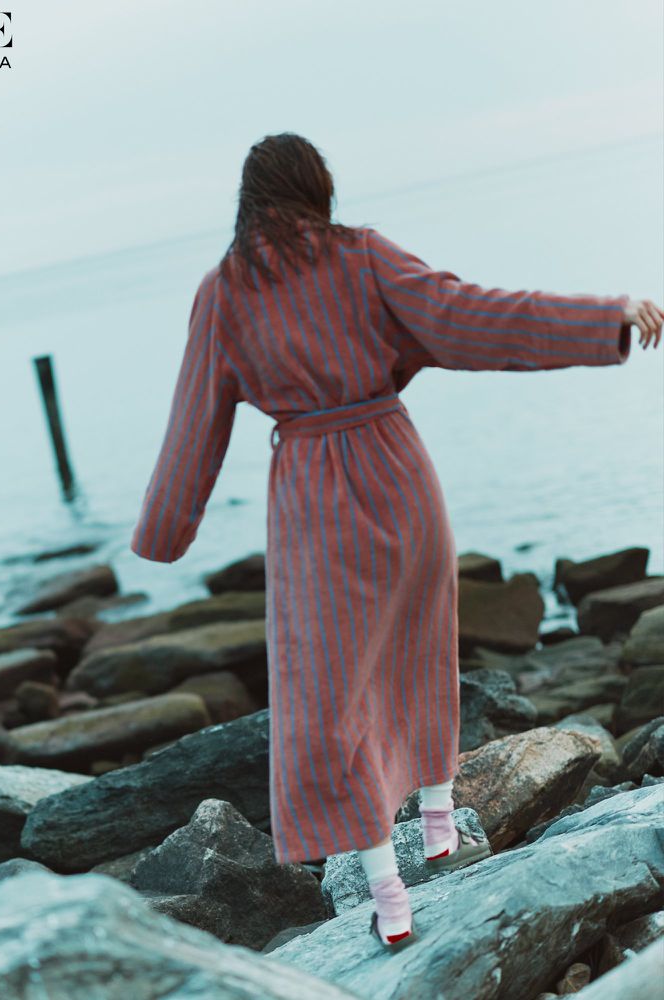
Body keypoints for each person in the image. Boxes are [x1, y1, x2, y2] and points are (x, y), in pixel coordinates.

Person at [130, 132, 663, 951]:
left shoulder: (224, 291)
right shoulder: (364, 256)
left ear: (249, 201)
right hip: (398, 469)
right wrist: (605, 320)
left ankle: (389, 897)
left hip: (313, 493)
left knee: (327, 697)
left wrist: (163, 533)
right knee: (422, 641)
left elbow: (192, 423)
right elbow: (475, 316)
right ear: (318, 189)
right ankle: (440, 819)